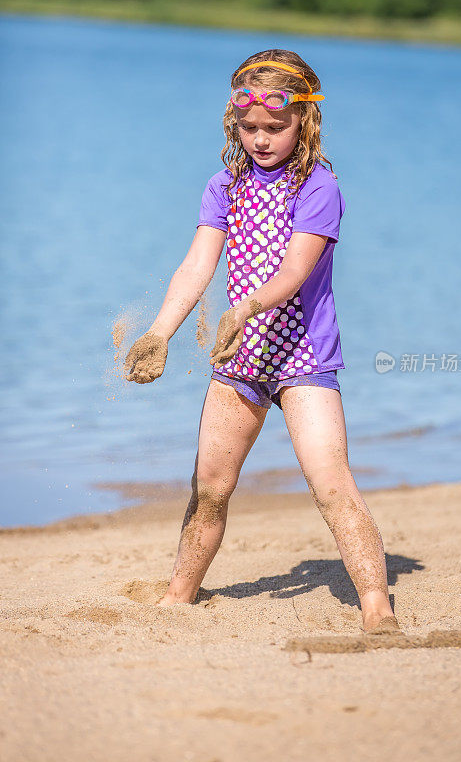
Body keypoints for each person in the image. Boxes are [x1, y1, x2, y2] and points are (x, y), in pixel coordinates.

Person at [124, 49, 401, 634]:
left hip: (304, 359)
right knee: (210, 488)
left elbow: (295, 272)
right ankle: (179, 596)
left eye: (275, 127)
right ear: (234, 124)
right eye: (248, 128)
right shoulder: (224, 186)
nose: (261, 139)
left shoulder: (318, 187)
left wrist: (245, 306)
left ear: (304, 121)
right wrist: (158, 333)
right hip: (241, 360)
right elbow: (198, 266)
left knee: (332, 484)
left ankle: (377, 608)